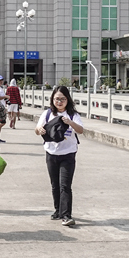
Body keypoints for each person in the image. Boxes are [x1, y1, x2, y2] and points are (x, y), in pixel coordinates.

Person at [35, 86, 85, 227]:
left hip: (68, 154)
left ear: (68, 100)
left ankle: (66, 215)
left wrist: (70, 122)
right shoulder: (47, 114)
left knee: (65, 185)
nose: (60, 101)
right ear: (52, 99)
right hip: (51, 153)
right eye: (57, 99)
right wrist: (39, 129)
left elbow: (80, 131)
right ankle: (58, 210)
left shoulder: (73, 115)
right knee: (54, 185)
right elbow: (37, 130)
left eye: (63, 99)